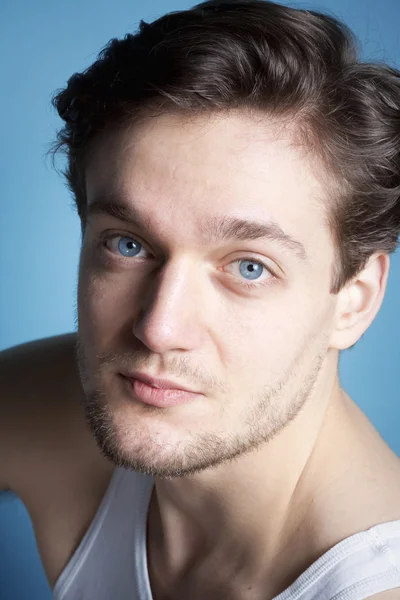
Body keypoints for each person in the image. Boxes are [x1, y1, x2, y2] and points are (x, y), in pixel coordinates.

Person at [1, 0, 400, 598]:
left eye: (248, 267)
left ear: (354, 300)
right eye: (129, 245)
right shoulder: (57, 402)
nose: (159, 330)